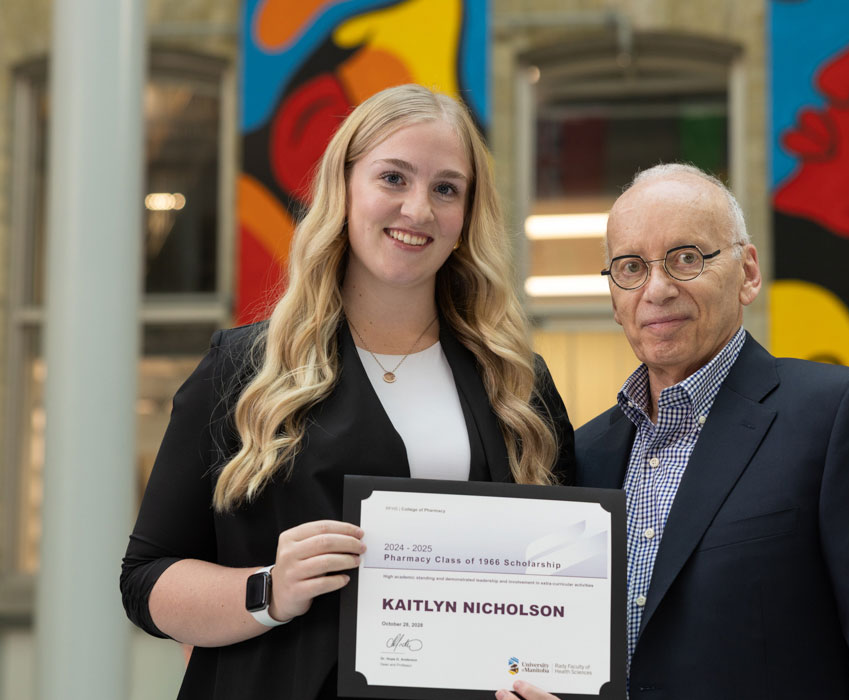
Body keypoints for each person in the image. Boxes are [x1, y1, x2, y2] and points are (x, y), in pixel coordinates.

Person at [121, 83, 574, 700]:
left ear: (468, 217)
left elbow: (564, 588)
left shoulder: (517, 384)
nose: (418, 209)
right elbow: (147, 582)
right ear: (345, 188)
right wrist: (268, 590)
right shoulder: (245, 371)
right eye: (393, 178)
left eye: (446, 188)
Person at [498, 164, 849, 700]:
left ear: (747, 272)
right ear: (613, 294)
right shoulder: (583, 453)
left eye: (686, 258)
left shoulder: (842, 416)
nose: (658, 289)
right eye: (630, 267)